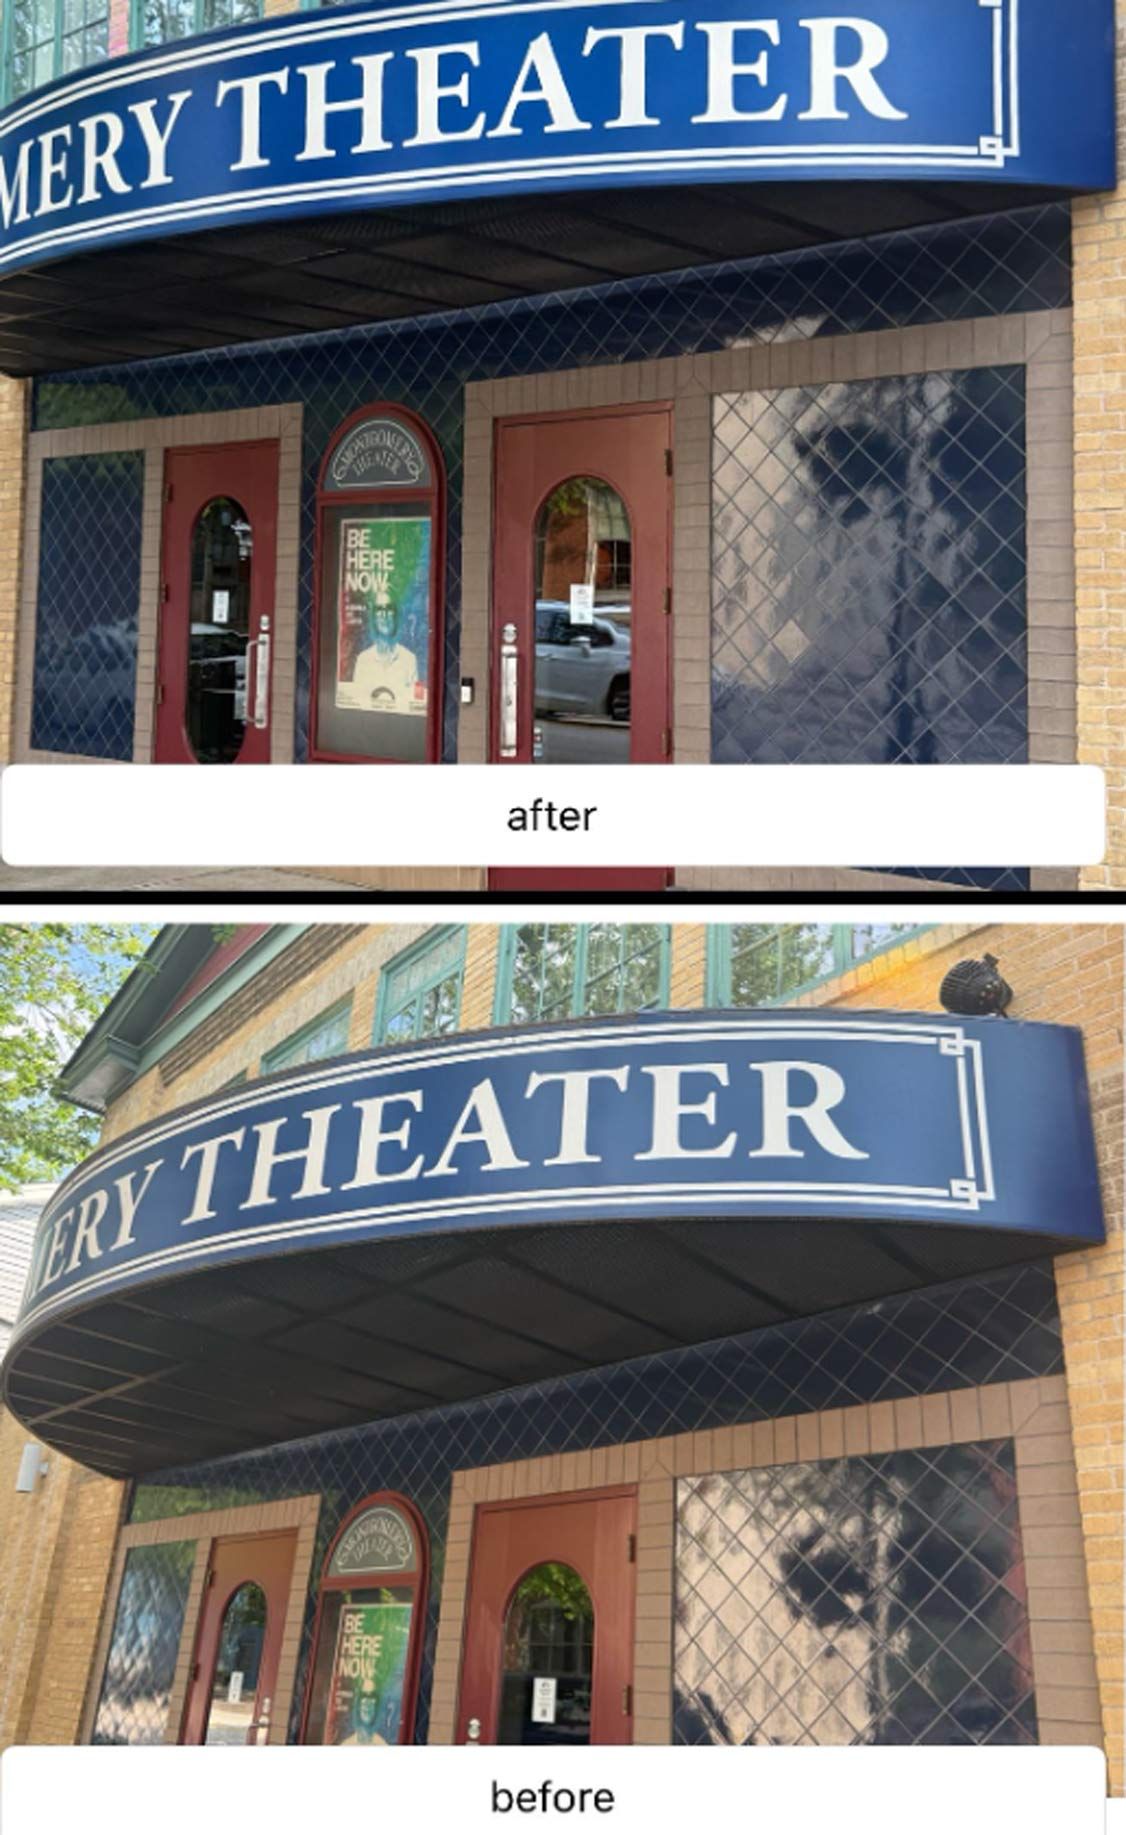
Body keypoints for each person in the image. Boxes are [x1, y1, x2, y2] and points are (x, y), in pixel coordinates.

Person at [339, 602, 421, 712]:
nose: (384, 615)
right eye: (379, 609)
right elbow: (358, 705)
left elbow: (412, 706)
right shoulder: (363, 660)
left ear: (395, 617)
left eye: (389, 609)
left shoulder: (409, 659)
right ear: (374, 618)